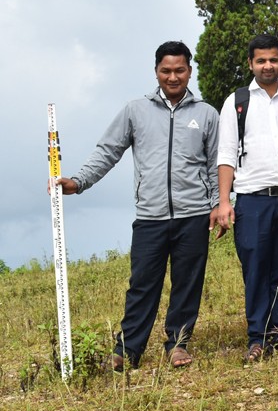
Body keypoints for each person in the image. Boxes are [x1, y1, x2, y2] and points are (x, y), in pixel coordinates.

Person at [56, 41, 220, 370]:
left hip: (194, 215)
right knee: (142, 283)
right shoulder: (135, 110)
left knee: (188, 282)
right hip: (151, 217)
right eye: (165, 70)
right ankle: (126, 351)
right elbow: (108, 151)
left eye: (179, 70)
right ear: (156, 71)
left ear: (190, 71)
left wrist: (218, 205)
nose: (173, 77)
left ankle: (178, 344)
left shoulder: (206, 114)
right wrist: (79, 182)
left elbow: (215, 166)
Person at [217, 34, 278, 363]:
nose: (267, 65)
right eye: (260, 60)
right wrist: (225, 202)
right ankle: (256, 337)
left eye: (273, 60)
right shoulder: (237, 101)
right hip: (252, 199)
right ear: (251, 63)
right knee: (255, 267)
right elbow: (225, 154)